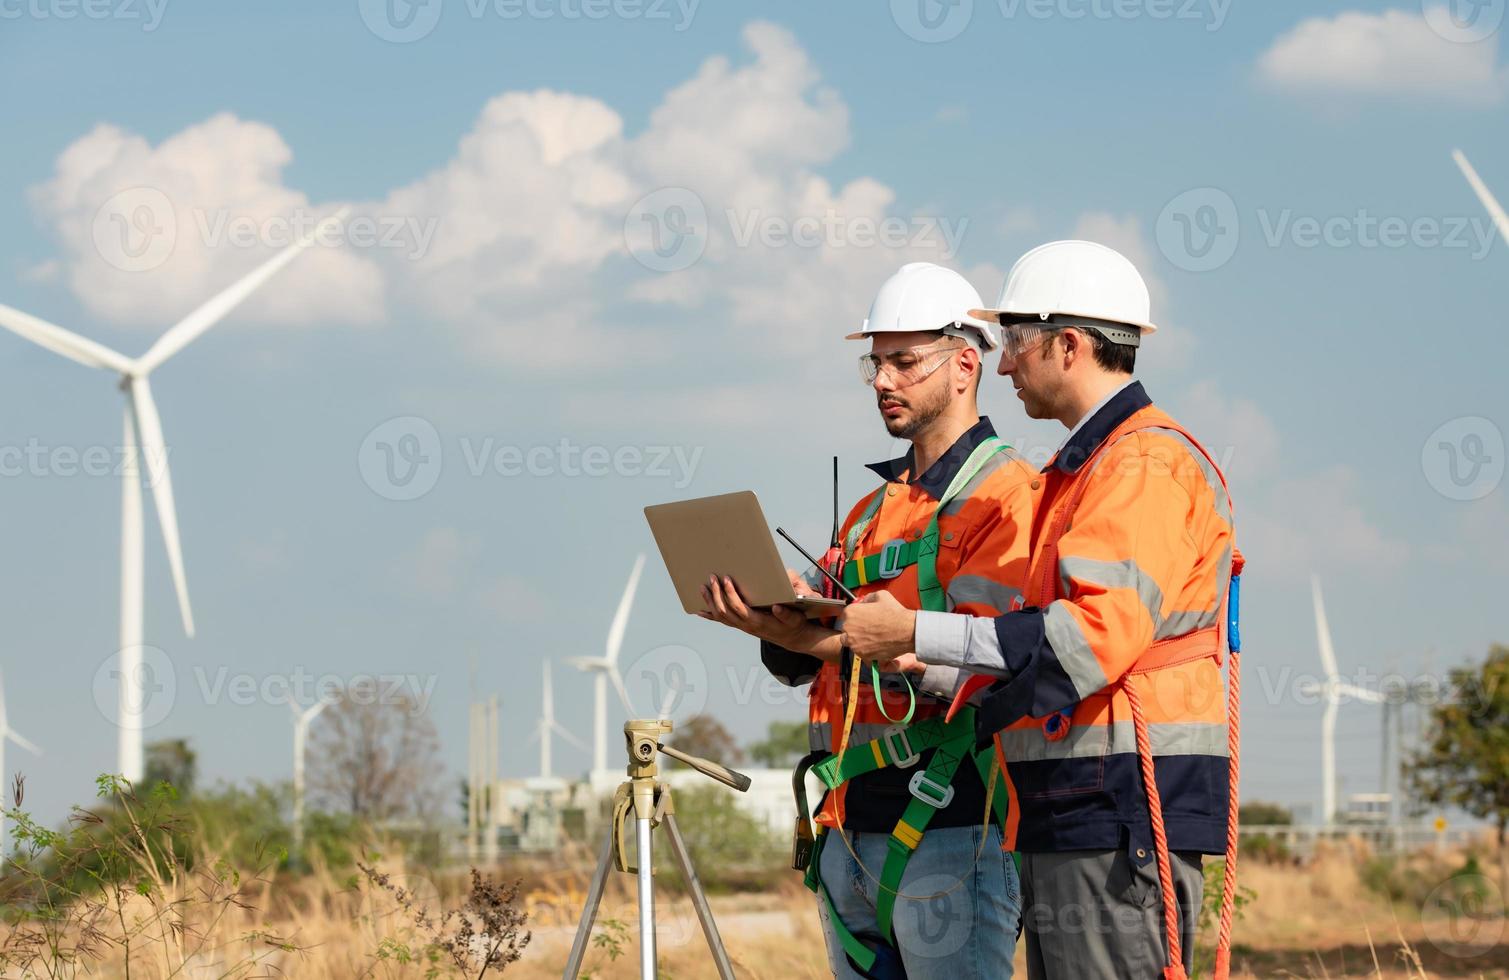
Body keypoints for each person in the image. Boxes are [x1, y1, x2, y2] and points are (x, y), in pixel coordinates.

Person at [839, 241, 1242, 980]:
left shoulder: (1140, 463)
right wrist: (931, 674)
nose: (1002, 365)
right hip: (1076, 804)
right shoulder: (1086, 470)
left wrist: (914, 629)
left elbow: (1088, 641)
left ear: (1067, 345)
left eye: (1015, 345)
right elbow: (1032, 650)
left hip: (1116, 802)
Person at [699, 261, 1039, 978]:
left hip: (953, 826)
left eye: (904, 363)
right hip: (848, 826)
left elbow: (989, 666)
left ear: (963, 366)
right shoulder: (868, 514)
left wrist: (846, 637)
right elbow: (820, 662)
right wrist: (773, 623)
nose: (882, 382)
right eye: (875, 364)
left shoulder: (1007, 499)